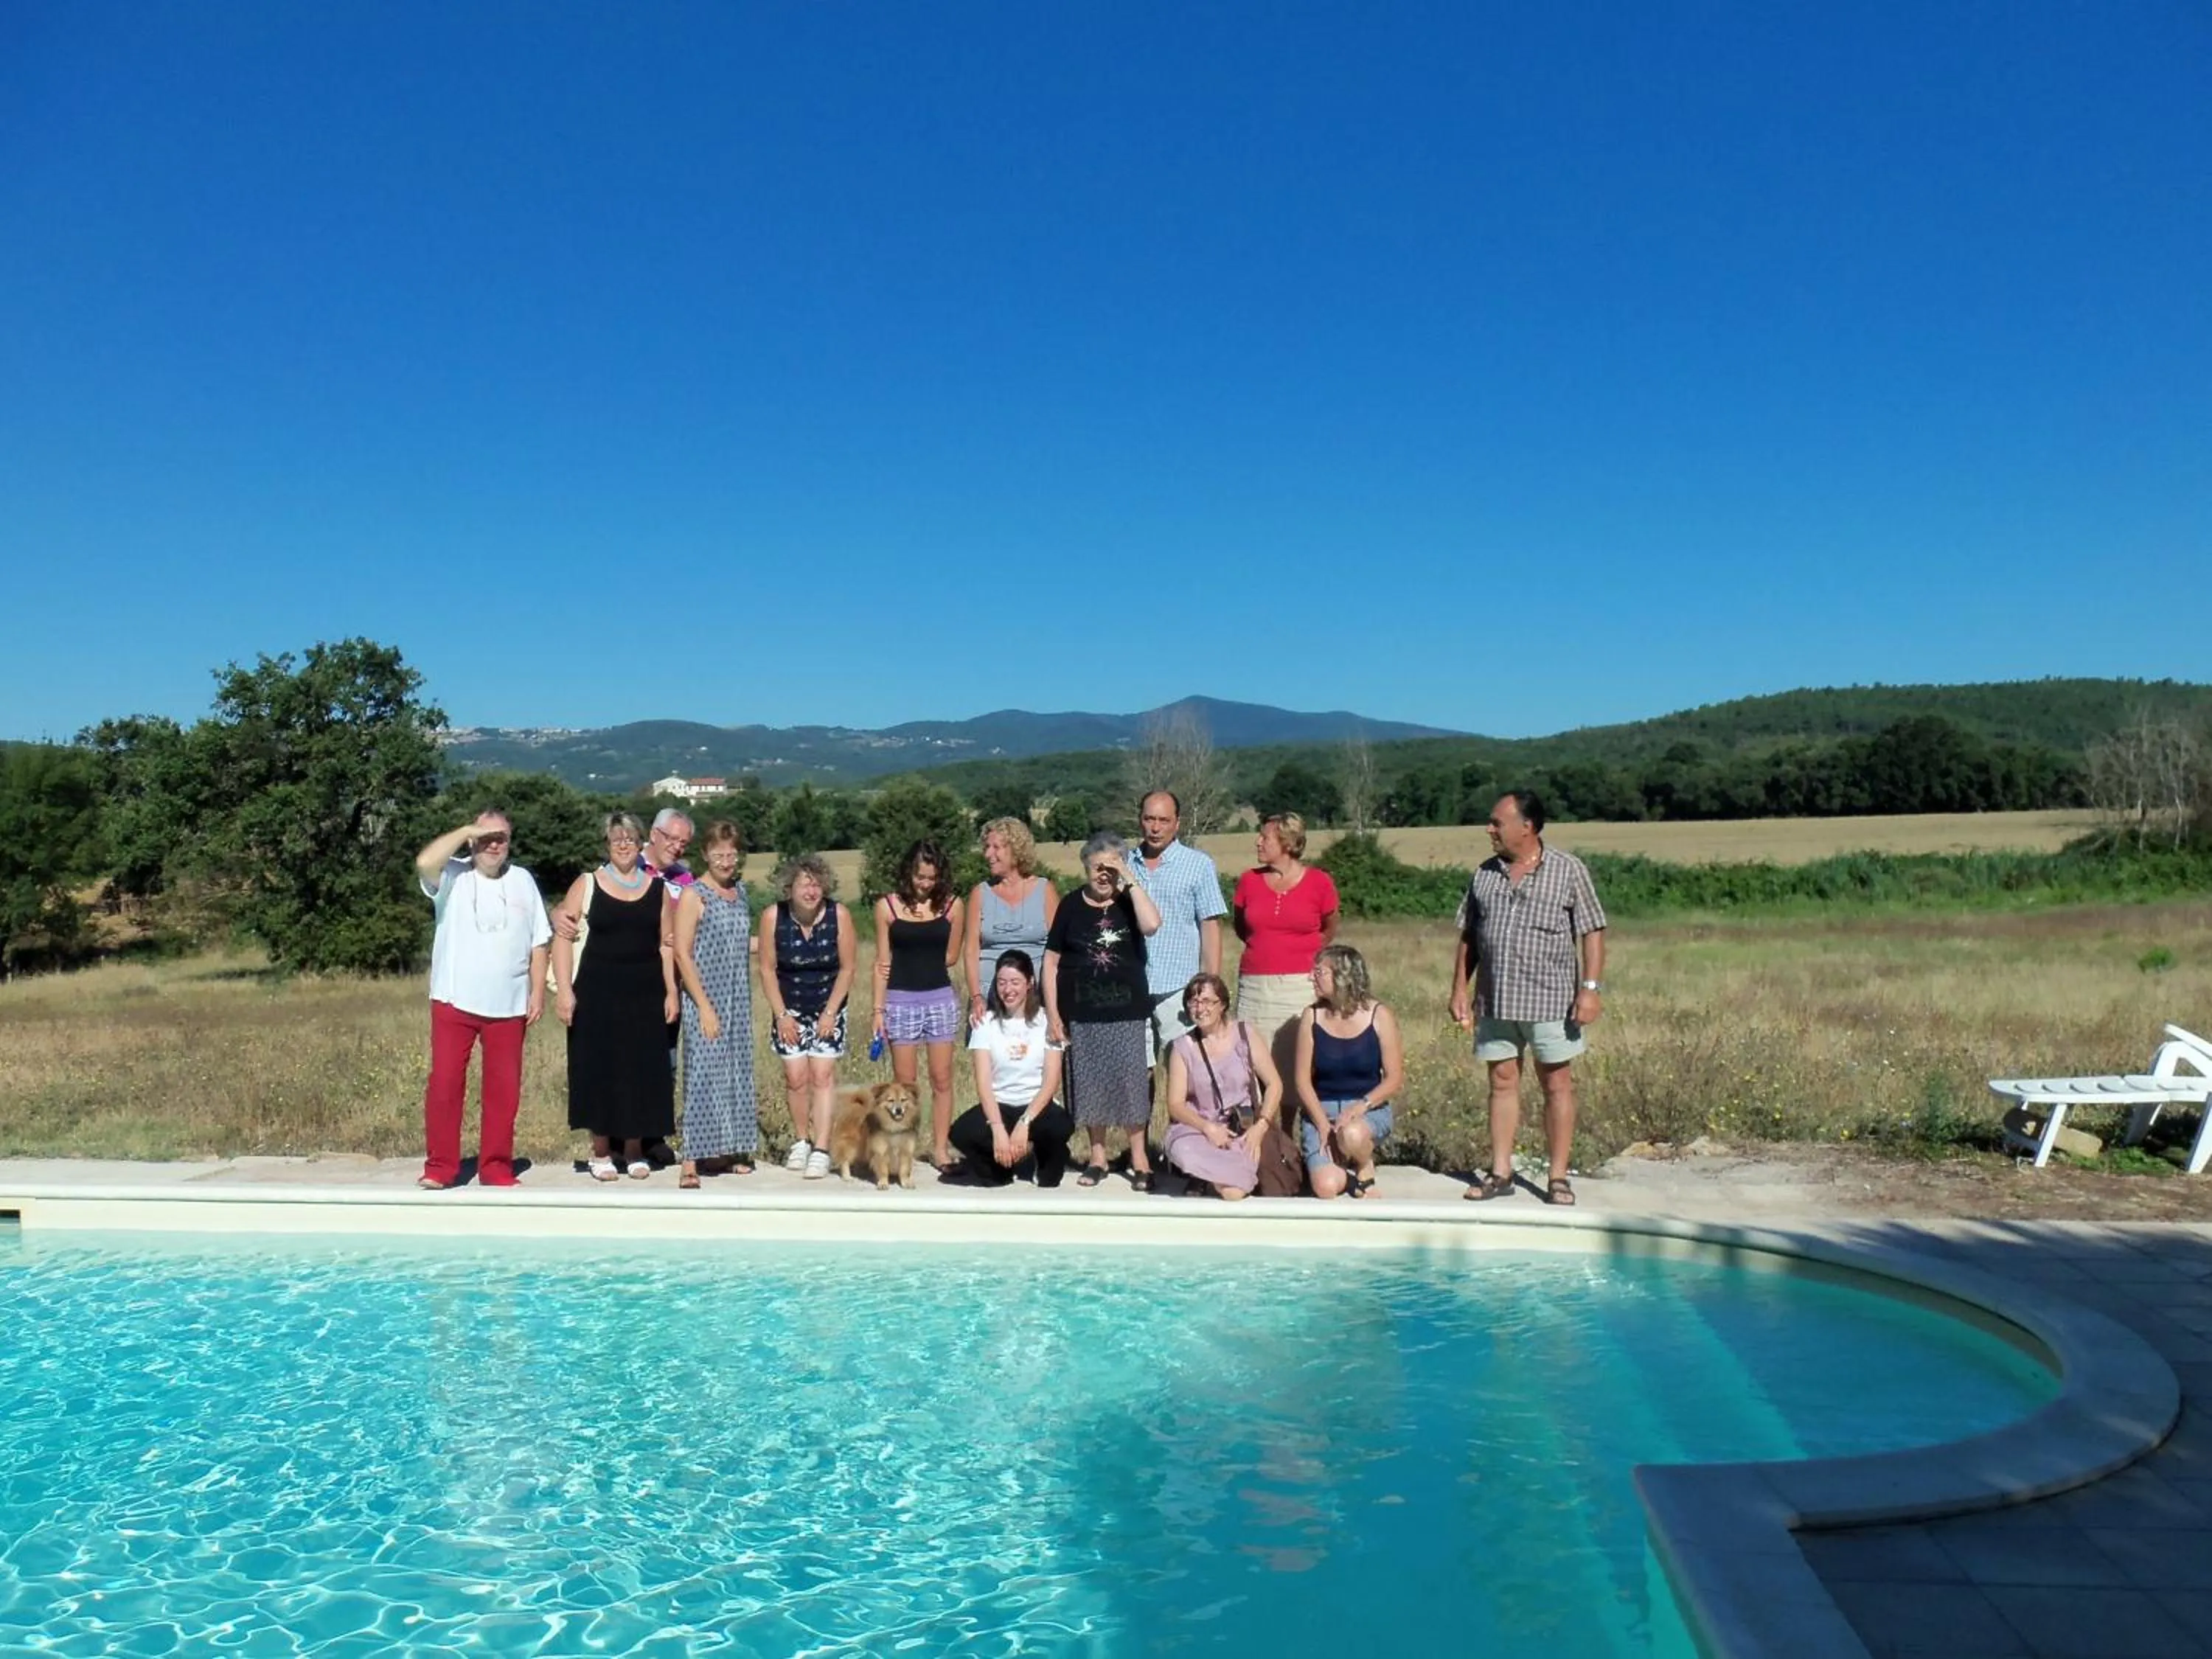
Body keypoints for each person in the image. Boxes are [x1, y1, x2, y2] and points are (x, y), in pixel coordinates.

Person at [1450, 790, 1609, 1206]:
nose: (1490, 829)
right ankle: (1501, 1171)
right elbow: (1469, 936)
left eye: (1497, 822)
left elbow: (1592, 931)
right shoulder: (1484, 874)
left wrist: (1590, 990)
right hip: (1496, 998)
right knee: (1502, 1080)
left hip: (1552, 1001)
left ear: (1528, 826)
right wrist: (1459, 990)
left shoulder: (1568, 870)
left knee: (1556, 1083)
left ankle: (1558, 1178)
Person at [411, 810, 552, 1189]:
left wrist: (537, 992)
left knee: (503, 1091)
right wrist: (465, 830)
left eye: (501, 838)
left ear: (510, 842)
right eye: (485, 838)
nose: (494, 845)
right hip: (454, 1000)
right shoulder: (452, 875)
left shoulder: (523, 880)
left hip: (509, 1004)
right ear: (472, 841)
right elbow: (424, 861)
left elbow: (540, 941)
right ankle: (440, 1168)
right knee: (444, 1084)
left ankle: (495, 1168)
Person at [549, 806, 692, 1167]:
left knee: (640, 1069)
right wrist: (565, 991)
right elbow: (564, 938)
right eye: (616, 840)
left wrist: (671, 992)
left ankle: (633, 1150)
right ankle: (601, 1152)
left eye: (629, 839)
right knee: (599, 1069)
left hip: (645, 992)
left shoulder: (658, 888)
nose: (623, 845)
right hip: (596, 992)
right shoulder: (587, 883)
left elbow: (666, 943)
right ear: (607, 844)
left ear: (640, 842)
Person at [1044, 831, 1163, 1189]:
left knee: (1132, 1086)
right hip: (1082, 1011)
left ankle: (1139, 1158)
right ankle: (1098, 1157)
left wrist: (1129, 878)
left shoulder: (1130, 901)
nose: (1103, 875)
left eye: (1110, 869)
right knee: (1091, 1084)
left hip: (1128, 1010)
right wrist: (1053, 1014)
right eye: (1097, 868)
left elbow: (1152, 925)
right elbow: (1051, 962)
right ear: (1085, 868)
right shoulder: (1070, 905)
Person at [671, 820, 758, 1189]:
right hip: (705, 997)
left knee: (736, 1072)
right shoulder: (695, 895)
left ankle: (724, 1149)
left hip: (738, 996)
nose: (726, 861)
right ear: (705, 854)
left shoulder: (740, 893)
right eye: (719, 854)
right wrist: (704, 1006)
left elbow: (744, 943)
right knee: (703, 1073)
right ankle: (690, 1159)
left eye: (731, 854)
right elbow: (682, 953)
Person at [761, 854, 857, 1180]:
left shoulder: (838, 915)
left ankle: (822, 1147)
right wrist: (781, 1015)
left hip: (828, 1006)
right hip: (789, 1008)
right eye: (805, 883)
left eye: (817, 884)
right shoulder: (773, 916)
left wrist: (831, 1013)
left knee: (823, 1075)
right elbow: (767, 969)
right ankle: (801, 1140)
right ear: (790, 887)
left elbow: (847, 968)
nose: (812, 891)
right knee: (796, 1077)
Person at [872, 840, 967, 1169]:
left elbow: (952, 956)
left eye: (931, 878)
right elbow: (882, 964)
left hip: (939, 999)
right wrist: (878, 1011)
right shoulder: (887, 907)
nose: (925, 884)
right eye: (920, 877)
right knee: (905, 1087)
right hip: (900, 1002)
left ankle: (940, 1149)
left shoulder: (954, 906)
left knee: (942, 1079)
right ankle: (903, 1152)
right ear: (908, 874)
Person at [1124, 790, 1228, 1081]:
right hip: (1134, 987)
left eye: (1163, 820)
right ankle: (1140, 1129)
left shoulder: (1198, 865)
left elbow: (1210, 925)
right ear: (1140, 820)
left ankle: (1186, 1128)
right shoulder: (1124, 864)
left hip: (1179, 988)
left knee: (1189, 1075)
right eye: (1149, 819)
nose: (1155, 828)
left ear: (1177, 823)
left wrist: (1210, 985)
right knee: (1138, 1079)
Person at [948, 950, 1075, 1187]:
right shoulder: (984, 1023)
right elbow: (984, 1084)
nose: (1008, 990)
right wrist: (997, 1129)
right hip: (1001, 1104)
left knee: (1061, 1128)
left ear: (1030, 983)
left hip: (1036, 1105)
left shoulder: (1048, 1021)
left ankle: (1047, 1159)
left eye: (1015, 982)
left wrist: (1025, 1122)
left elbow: (1050, 1083)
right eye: (1002, 982)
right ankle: (1001, 1166)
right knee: (962, 1133)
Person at [1232, 813, 1340, 1081]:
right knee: (1251, 1061)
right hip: (1254, 987)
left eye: (1265, 838)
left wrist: (1299, 955)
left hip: (1300, 986)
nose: (1258, 842)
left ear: (1287, 843)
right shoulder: (1249, 881)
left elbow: (1328, 929)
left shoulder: (1320, 882)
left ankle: (1291, 1121)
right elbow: (1241, 928)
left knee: (1297, 1061)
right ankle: (1261, 1122)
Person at [1293, 944, 1404, 1200]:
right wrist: (1322, 1124)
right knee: (1326, 1187)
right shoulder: (1312, 1017)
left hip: (1366, 1111)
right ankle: (1336, 1163)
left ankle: (1364, 1166)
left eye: (1319, 972)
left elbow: (1394, 1078)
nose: (1311, 977)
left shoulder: (1379, 1015)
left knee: (1352, 1135)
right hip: (1321, 1111)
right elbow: (1301, 1081)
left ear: (1342, 977)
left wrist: (1358, 1108)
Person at [1162, 973, 1287, 1201]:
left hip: (1240, 1128)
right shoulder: (1182, 1047)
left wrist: (1261, 1126)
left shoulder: (1245, 1034)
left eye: (1207, 1001)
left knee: (1233, 1193)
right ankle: (1208, 1172)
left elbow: (1274, 1084)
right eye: (1194, 1002)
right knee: (1185, 1151)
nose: (1200, 1009)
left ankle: (1212, 1175)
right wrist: (1208, 1128)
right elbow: (1175, 1105)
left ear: (1223, 1005)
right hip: (1197, 1129)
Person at [964, 817, 1057, 1029]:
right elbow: (971, 950)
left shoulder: (1045, 890)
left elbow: (1058, 949)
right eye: (987, 847)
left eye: (996, 847)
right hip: (991, 998)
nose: (988, 854)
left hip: (1037, 996)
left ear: (1017, 850)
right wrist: (976, 997)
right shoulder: (980, 893)